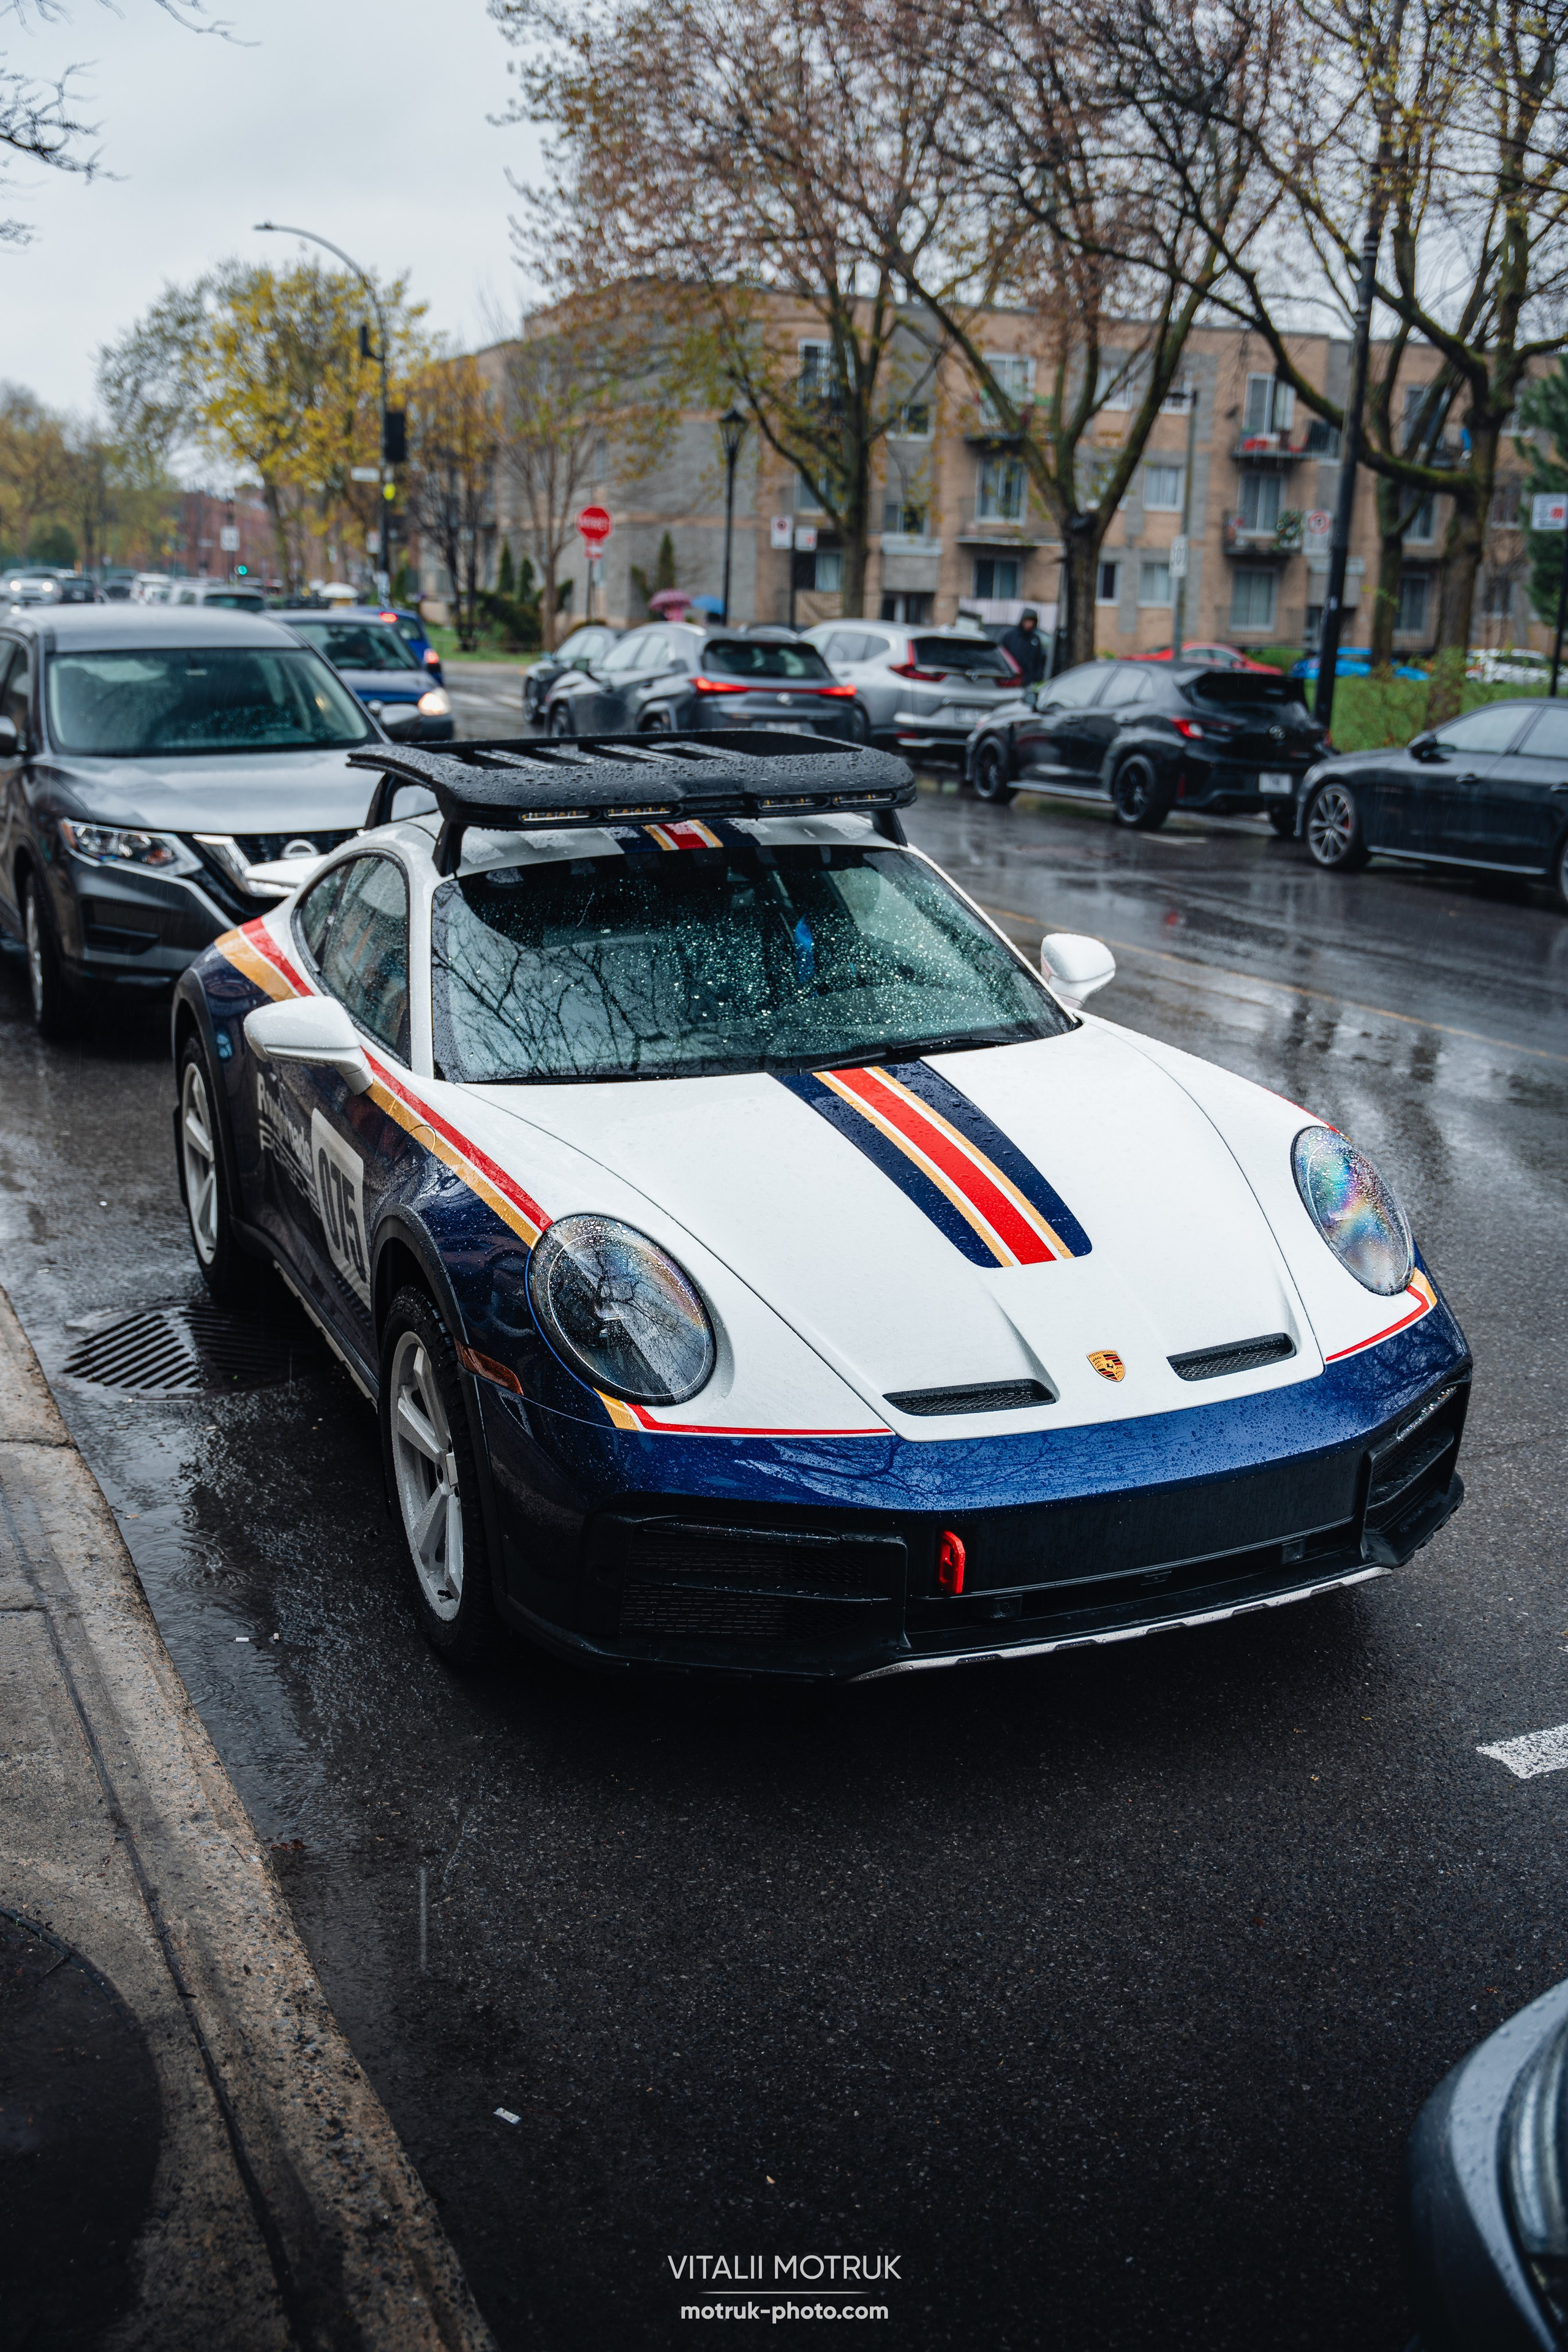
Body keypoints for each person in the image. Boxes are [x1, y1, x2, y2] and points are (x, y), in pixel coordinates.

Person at [1000, 608, 1047, 687]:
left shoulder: (1035, 639)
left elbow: (1038, 660)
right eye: (1027, 621)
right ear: (1022, 621)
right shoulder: (1010, 636)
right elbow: (1003, 656)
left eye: (1032, 622)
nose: (1029, 624)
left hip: (1029, 680)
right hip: (1012, 679)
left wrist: (1038, 677)